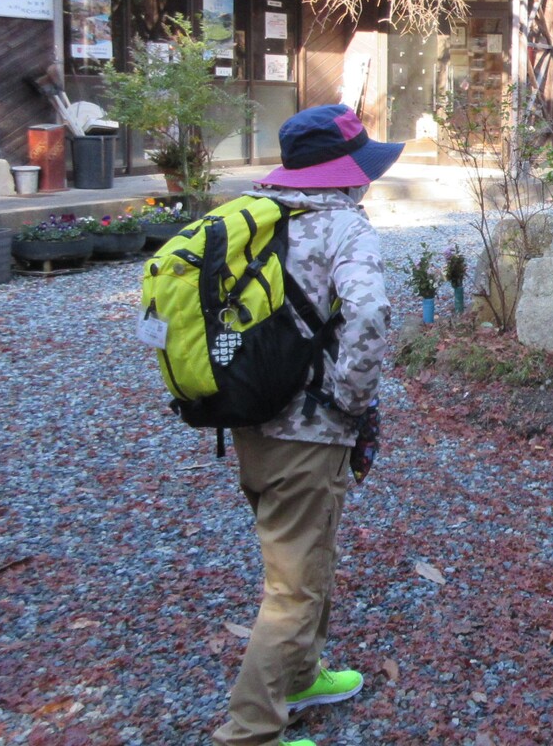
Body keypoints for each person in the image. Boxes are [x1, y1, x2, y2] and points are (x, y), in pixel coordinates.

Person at [213, 103, 401, 746]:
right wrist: (351, 401)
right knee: (292, 587)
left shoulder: (256, 219)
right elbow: (370, 317)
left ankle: (302, 675)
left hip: (250, 415)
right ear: (343, 172)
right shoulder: (344, 227)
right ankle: (252, 731)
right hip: (308, 431)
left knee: (303, 554)